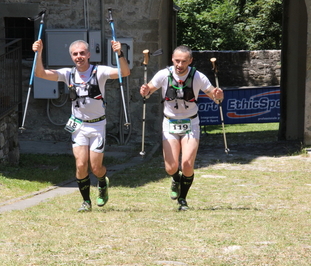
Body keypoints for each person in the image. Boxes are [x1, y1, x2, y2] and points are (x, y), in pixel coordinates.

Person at [32, 39, 130, 212]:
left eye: (82, 53)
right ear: (71, 56)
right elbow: (40, 73)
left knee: (96, 167)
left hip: (97, 126)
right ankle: (86, 202)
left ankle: (102, 181)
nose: (79, 57)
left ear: (89, 54)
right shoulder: (67, 74)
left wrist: (119, 53)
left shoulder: (99, 71)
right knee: (80, 165)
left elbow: (125, 72)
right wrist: (38, 53)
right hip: (78, 126)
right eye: (75, 54)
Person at [140, 45, 224, 211]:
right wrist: (145, 90)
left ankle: (183, 199)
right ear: (172, 58)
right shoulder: (164, 74)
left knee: (187, 163)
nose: (179, 64)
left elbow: (214, 96)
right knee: (171, 167)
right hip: (170, 123)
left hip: (190, 123)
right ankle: (175, 179)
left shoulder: (198, 76)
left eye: (184, 61)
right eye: (177, 61)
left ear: (190, 61)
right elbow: (149, 90)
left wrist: (218, 95)